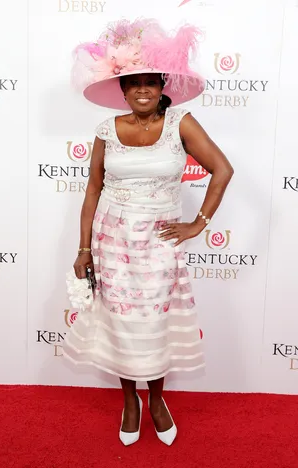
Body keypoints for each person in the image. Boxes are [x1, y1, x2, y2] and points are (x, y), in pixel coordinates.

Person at [63, 18, 234, 446]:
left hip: (160, 241)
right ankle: (130, 401)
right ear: (122, 90)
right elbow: (92, 191)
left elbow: (222, 169)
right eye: (133, 84)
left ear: (162, 87)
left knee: (154, 324)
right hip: (112, 242)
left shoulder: (182, 122)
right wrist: (84, 248)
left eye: (150, 83)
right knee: (122, 324)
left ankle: (157, 400)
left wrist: (199, 223)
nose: (142, 91)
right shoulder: (106, 130)